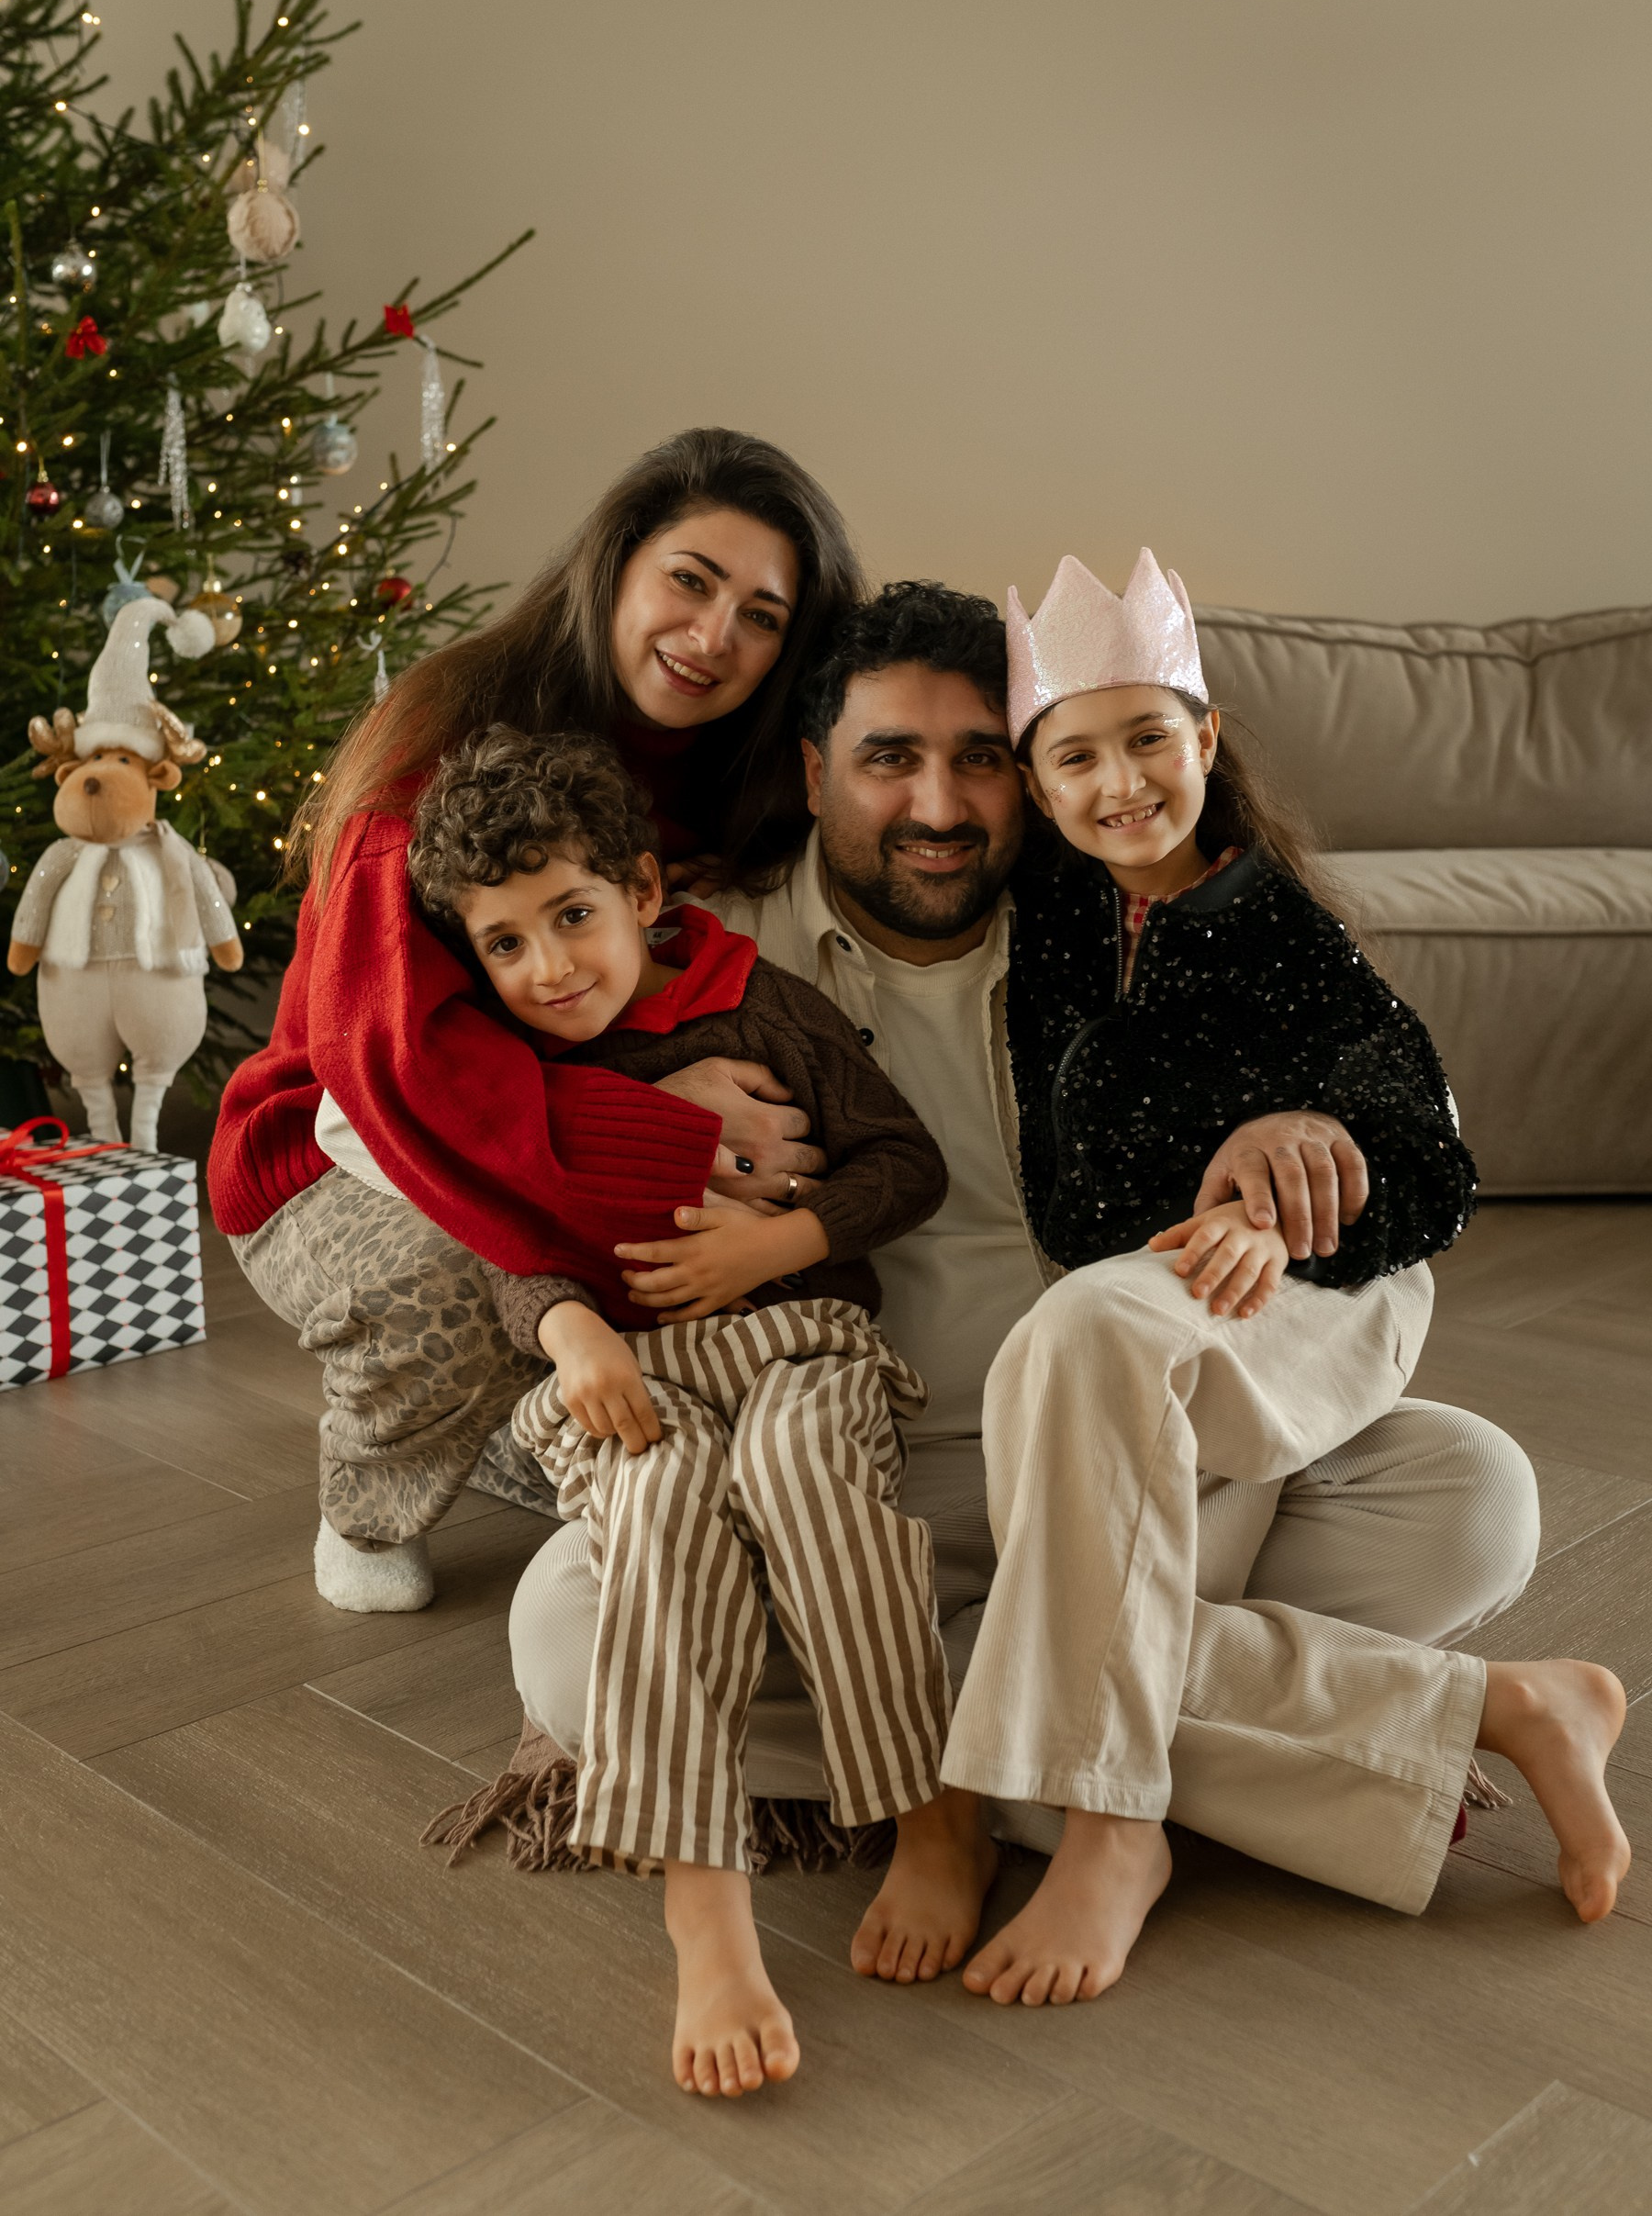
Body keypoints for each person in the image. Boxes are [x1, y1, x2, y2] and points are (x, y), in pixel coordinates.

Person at [508, 578, 1584, 1990]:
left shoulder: (1116, 915)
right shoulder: (689, 955)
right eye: (893, 760)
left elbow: (1367, 1098)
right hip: (844, 1478)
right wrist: (651, 1122)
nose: (941, 807)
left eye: (980, 762)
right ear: (817, 767)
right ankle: (1371, 1720)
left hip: (1147, 1469)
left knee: (1478, 1501)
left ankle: (984, 1740)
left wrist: (1307, 1134)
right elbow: (407, 1106)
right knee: (567, 1642)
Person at [942, 549, 1630, 2008]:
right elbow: (1072, 1192)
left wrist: (1306, 1163)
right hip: (1162, 1310)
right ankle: (1508, 1709)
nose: (1120, 780)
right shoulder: (1056, 926)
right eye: (1077, 755)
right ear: (1036, 783)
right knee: (1094, 1600)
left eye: (1148, 739)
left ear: (1205, 742)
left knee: (1074, 1346)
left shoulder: (1282, 933)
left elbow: (1435, 1165)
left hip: (1321, 1293)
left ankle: (1114, 1829)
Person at [206, 427, 864, 1614]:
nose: (715, 637)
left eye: (763, 617)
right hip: (332, 1143)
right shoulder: (443, 738)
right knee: (460, 1281)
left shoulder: (731, 774)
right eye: (691, 581)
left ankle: (528, 1425)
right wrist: (663, 1128)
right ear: (615, 565)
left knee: (726, 1223)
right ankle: (366, 1501)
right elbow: (398, 1066)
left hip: (552, 1112)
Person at [407, 725, 971, 2099]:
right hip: (635, 1372)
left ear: (646, 894)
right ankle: (702, 1896)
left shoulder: (761, 1000)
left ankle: (935, 1815)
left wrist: (773, 1246)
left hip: (800, 1342)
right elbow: (502, 1233)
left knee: (805, 1479)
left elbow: (909, 1163)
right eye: (506, 944)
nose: (548, 969)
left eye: (574, 918)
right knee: (655, 1509)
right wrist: (571, 1327)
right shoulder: (505, 1062)